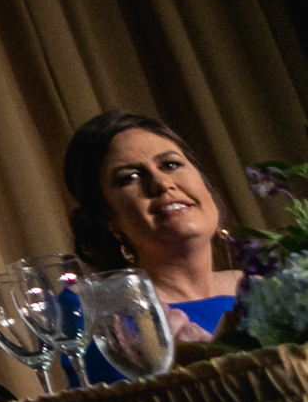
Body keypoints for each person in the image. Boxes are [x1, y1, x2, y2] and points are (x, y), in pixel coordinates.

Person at [62, 108, 243, 357]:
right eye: (130, 177)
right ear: (106, 216)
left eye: (170, 165)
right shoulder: (94, 307)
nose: (161, 183)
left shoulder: (265, 289)